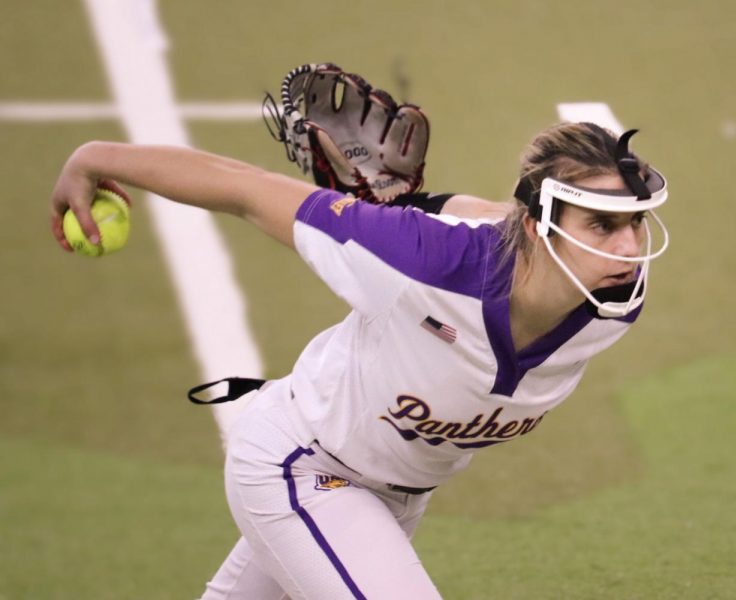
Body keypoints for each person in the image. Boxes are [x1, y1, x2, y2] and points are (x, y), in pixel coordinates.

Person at [50, 121, 668, 599]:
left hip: (395, 496)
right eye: (603, 225)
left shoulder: (615, 297)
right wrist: (94, 158)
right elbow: (242, 188)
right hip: (301, 468)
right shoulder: (420, 258)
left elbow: (493, 215)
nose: (629, 247)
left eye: (637, 224)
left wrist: (422, 198)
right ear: (541, 226)